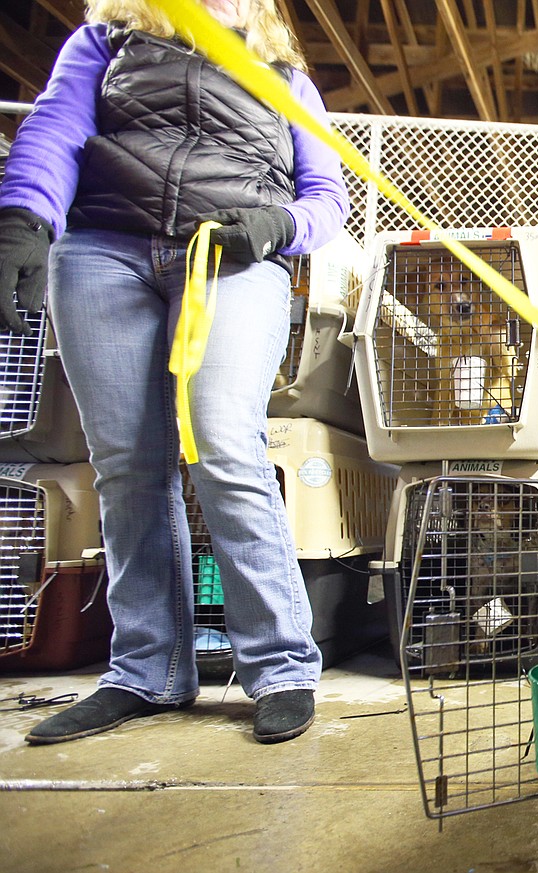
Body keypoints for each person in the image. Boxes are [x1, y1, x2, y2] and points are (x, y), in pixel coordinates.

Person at [0, 0, 349, 744]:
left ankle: (282, 665)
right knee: (128, 463)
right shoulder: (105, 44)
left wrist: (278, 225)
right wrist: (24, 217)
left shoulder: (284, 77)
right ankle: (146, 670)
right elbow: (56, 131)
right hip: (103, 251)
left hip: (232, 255)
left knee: (226, 443)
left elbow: (327, 196)